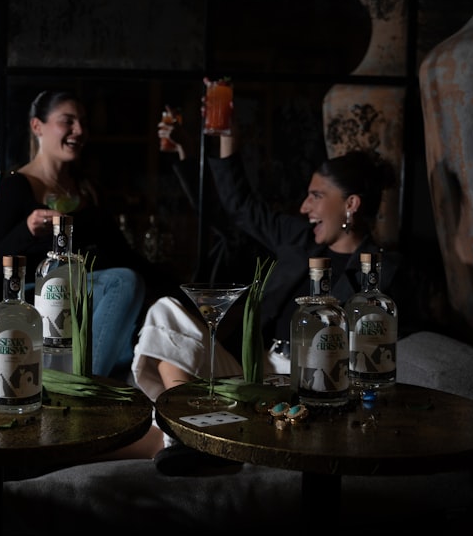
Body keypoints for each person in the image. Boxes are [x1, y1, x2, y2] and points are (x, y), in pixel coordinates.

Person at [133, 107, 417, 472]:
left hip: (307, 387)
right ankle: (188, 430)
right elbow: (241, 207)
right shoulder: (297, 238)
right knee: (165, 310)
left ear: (351, 204)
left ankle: (189, 439)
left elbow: (386, 347)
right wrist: (227, 140)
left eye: (316, 195)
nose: (304, 206)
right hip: (250, 371)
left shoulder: (381, 273)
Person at [0, 89, 167, 379]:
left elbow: (124, 254)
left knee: (146, 328)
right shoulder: (14, 187)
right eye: (68, 121)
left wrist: (182, 292)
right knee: (123, 282)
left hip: (88, 301)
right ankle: (79, 389)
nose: (79, 130)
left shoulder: (87, 190)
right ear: (37, 126)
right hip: (39, 301)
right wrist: (26, 231)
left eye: (84, 123)